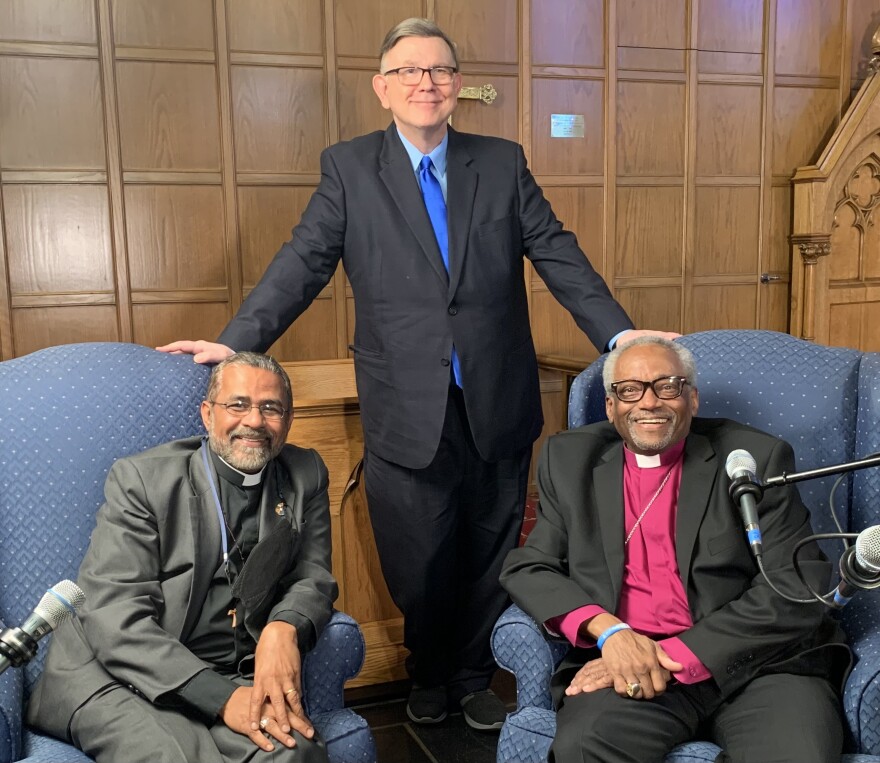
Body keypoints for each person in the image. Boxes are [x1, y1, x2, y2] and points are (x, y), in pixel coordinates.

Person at [157, 18, 677, 730]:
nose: (424, 82)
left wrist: (619, 336)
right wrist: (234, 344)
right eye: (407, 71)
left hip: (496, 396)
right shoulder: (349, 167)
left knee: (491, 546)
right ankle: (425, 670)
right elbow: (302, 261)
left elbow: (557, 250)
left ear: (457, 85)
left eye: (437, 70)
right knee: (421, 556)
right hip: (405, 403)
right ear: (383, 88)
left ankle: (467, 677)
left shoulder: (499, 161)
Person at [500, 336, 851, 762]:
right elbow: (530, 566)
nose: (649, 402)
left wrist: (670, 654)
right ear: (611, 406)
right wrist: (610, 632)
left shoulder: (753, 457)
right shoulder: (569, 460)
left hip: (761, 666)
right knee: (586, 744)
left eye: (667, 386)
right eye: (630, 389)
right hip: (631, 668)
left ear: (693, 398)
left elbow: (796, 584)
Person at [27, 352, 337, 763]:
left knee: (296, 752)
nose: (255, 421)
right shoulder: (142, 479)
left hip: (232, 671)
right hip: (118, 673)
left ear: (289, 419)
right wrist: (223, 699)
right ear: (207, 414)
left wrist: (283, 629)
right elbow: (114, 617)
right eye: (238, 404)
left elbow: (313, 576)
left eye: (271, 408)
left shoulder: (306, 473)